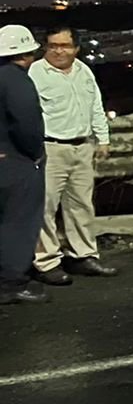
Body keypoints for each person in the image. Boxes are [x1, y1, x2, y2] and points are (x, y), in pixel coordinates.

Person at [30, 26, 116, 283]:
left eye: (64, 45)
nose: (58, 51)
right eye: (53, 45)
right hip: (50, 147)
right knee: (45, 206)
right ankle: (46, 262)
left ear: (76, 48)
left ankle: (82, 256)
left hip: (82, 146)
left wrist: (103, 139)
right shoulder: (35, 73)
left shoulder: (83, 70)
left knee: (81, 204)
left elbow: (95, 105)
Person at [0, 25, 48, 305]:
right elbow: (27, 125)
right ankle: (12, 283)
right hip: (15, 162)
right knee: (18, 221)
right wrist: (34, 153)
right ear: (26, 54)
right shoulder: (16, 80)